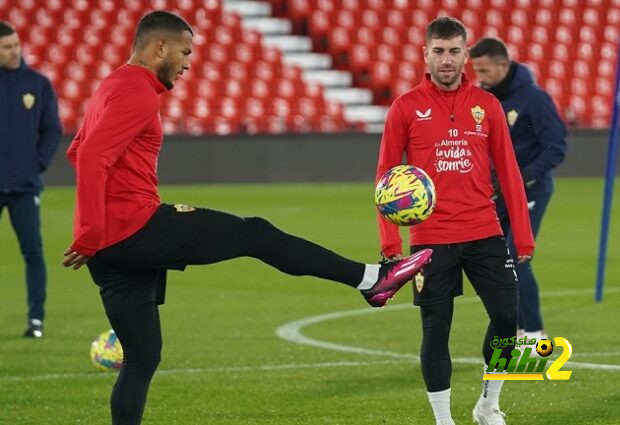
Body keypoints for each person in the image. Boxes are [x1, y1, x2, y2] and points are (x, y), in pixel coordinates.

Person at [61, 11, 431, 425]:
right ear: (159, 46)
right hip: (134, 228)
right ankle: (372, 280)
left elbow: (77, 152)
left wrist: (93, 234)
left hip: (110, 251)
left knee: (142, 355)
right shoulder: (137, 92)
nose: (187, 63)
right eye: (185, 52)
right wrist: (94, 229)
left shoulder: (109, 86)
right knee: (255, 234)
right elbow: (92, 156)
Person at [375, 17, 535, 425]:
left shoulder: (488, 106)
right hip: (431, 238)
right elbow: (386, 178)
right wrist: (392, 247)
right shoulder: (405, 108)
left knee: (506, 317)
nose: (446, 59)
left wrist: (524, 236)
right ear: (425, 54)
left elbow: (510, 172)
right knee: (435, 330)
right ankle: (444, 420)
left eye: (454, 51)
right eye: (438, 51)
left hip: (484, 231)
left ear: (466, 55)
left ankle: (488, 403)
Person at [469, 38, 567, 343]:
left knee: (517, 255)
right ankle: (514, 327)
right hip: (498, 192)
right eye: (476, 70)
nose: (479, 77)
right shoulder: (483, 100)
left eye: (484, 70)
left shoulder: (535, 99)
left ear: (503, 65)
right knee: (495, 258)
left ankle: (534, 332)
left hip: (531, 190)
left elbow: (556, 148)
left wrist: (521, 178)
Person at [0, 20, 62, 338]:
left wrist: (35, 163)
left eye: (16, 45)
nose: (15, 51)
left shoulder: (37, 84)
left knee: (33, 251)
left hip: (25, 186)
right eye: (7, 47)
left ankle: (36, 319)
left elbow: (53, 129)